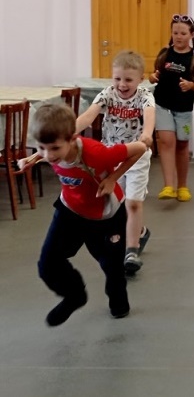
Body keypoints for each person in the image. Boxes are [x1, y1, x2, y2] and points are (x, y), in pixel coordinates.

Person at [24, 103, 147, 326]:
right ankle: (75, 296)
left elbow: (140, 148)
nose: (48, 155)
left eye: (54, 148)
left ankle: (119, 303)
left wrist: (113, 178)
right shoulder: (51, 151)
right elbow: (47, 152)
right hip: (70, 210)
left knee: (112, 267)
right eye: (41, 148)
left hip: (105, 215)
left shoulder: (96, 153)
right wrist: (32, 158)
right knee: (48, 264)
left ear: (72, 139)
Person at [76, 50, 155, 274]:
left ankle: (131, 251)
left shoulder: (145, 96)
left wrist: (147, 134)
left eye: (128, 79)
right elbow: (88, 116)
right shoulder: (107, 94)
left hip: (136, 156)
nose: (122, 84)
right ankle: (139, 231)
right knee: (116, 206)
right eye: (117, 78)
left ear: (140, 79)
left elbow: (149, 115)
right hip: (111, 156)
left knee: (133, 203)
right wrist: (67, 131)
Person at [150, 14, 194, 202]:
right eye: (175, 33)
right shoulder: (165, 54)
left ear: (191, 35)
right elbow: (155, 74)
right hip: (162, 105)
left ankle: (182, 186)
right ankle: (168, 186)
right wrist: (152, 77)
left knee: (182, 145)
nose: (178, 37)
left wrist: (192, 86)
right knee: (166, 142)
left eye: (183, 33)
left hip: (184, 109)